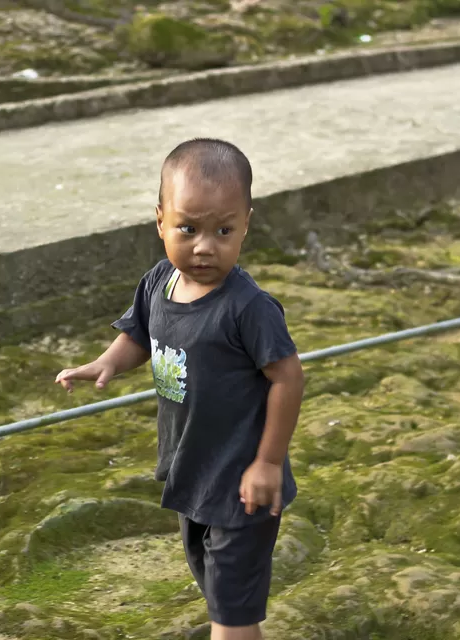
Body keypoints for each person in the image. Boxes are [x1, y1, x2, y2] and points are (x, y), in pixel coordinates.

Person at [54, 138, 305, 640]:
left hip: (242, 483)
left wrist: (268, 463)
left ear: (246, 224)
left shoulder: (249, 309)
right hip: (191, 471)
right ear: (160, 221)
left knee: (230, 615)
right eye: (188, 229)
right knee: (219, 595)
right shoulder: (159, 282)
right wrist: (106, 364)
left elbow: (288, 377)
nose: (205, 246)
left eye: (224, 230)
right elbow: (139, 334)